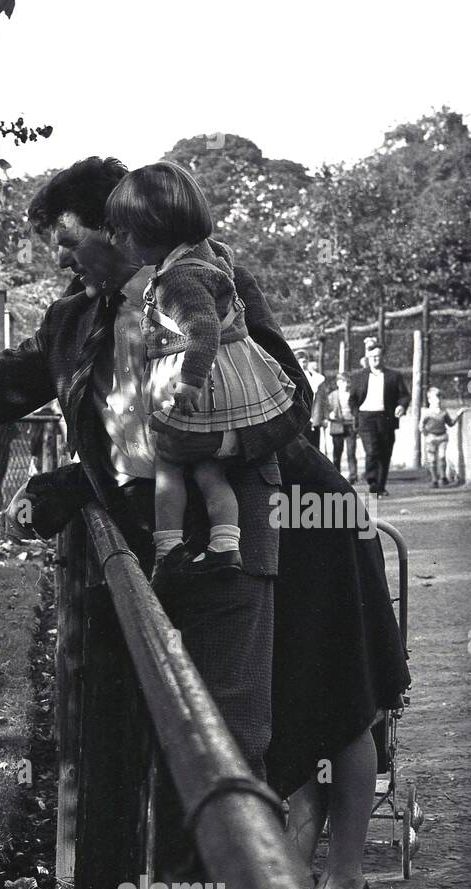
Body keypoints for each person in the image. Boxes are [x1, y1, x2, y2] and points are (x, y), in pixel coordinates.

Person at [0, 156, 409, 889]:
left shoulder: (209, 283)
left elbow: (278, 401)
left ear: (116, 233)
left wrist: (194, 445)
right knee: (269, 712)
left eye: (66, 241)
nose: (58, 260)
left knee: (326, 699)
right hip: (202, 533)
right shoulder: (79, 318)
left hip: (298, 520)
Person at [100, 162, 305, 581]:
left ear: (153, 227)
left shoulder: (177, 280)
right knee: (208, 469)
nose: (117, 240)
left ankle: (169, 547)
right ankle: (225, 545)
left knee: (170, 462)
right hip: (224, 386)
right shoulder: (210, 257)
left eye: (124, 230)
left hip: (203, 387)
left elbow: (203, 329)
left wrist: (190, 380)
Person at [349, 343, 410, 496]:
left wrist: (401, 406)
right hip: (366, 417)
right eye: (372, 357)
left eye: (378, 356)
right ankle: (372, 481)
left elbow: (404, 395)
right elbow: (353, 399)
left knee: (385, 452)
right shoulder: (359, 376)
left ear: (383, 357)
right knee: (372, 450)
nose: (375, 359)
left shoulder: (394, 376)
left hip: (386, 417)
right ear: (368, 358)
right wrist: (357, 414)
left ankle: (381, 486)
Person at [420, 387, 458, 487]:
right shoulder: (426, 413)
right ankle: (434, 480)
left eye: (439, 398)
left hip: (442, 437)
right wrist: (424, 432)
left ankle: (443, 477)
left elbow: (451, 423)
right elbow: (421, 425)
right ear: (429, 400)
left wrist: (459, 414)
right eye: (435, 398)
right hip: (431, 437)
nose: (438, 401)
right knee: (431, 459)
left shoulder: (444, 412)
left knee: (442, 457)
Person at [325, 372, 357, 480]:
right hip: (337, 426)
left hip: (350, 425)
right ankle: (336, 475)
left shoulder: (352, 394)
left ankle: (353, 476)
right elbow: (326, 409)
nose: (346, 384)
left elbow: (357, 409)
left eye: (348, 382)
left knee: (351, 452)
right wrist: (330, 415)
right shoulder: (332, 395)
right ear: (338, 383)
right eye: (343, 382)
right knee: (337, 452)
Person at [299, 351, 329, 448]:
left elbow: (323, 399)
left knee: (315, 447)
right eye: (300, 362)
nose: (303, 364)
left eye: (304, 361)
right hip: (301, 419)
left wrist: (324, 417)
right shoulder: (295, 377)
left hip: (315, 417)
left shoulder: (317, 379)